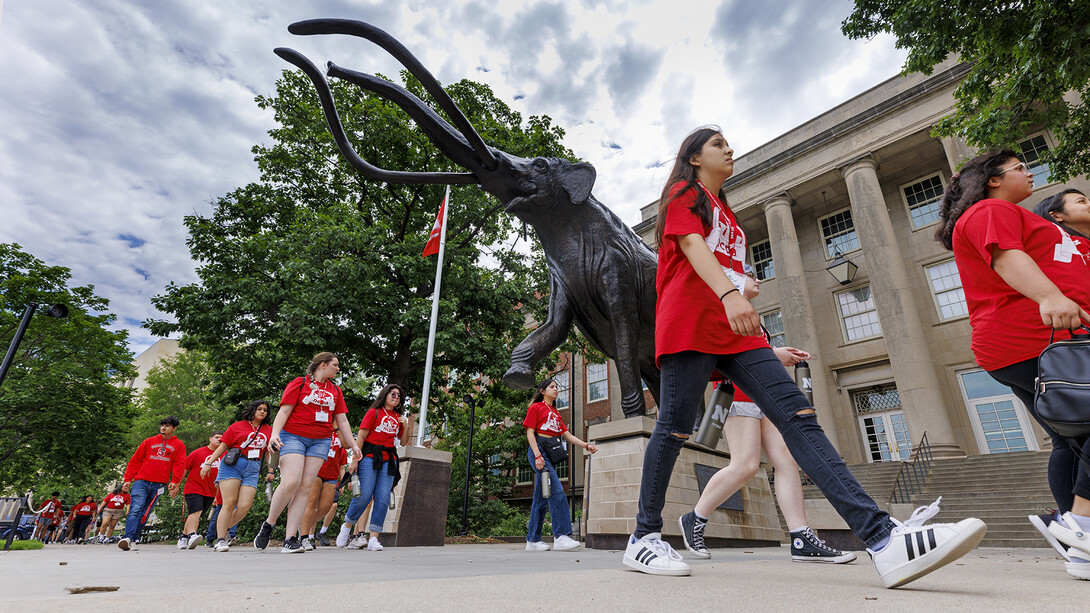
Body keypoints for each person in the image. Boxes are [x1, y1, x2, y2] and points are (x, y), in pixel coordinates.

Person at [627, 126, 985, 588]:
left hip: (740, 332)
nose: (729, 148)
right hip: (691, 323)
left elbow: (734, 270)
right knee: (673, 428)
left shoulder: (727, 214)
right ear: (693, 157)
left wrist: (752, 321)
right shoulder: (684, 192)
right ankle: (643, 537)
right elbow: (693, 247)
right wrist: (731, 296)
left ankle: (883, 540)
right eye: (718, 144)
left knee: (799, 418)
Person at [938, 151, 1090, 580]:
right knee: (1077, 437)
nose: (1029, 170)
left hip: (1043, 339)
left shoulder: (1019, 216)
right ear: (992, 180)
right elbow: (1006, 257)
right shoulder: (990, 210)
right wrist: (1050, 297)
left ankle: (1076, 535)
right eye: (1019, 166)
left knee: (1075, 441)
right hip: (1036, 337)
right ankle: (1079, 527)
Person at [679, 270, 855, 564]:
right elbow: (726, 354)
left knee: (787, 461)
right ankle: (695, 518)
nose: (757, 278)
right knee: (746, 465)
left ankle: (801, 537)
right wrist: (776, 354)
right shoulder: (723, 307)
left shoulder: (753, 316)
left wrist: (776, 354)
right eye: (748, 274)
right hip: (737, 394)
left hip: (765, 395)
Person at [255, 352, 361, 553]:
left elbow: (343, 420)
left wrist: (353, 445)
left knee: (304, 487)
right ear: (323, 365)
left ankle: (289, 538)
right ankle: (269, 523)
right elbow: (284, 411)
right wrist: (274, 434)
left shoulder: (335, 390)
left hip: (320, 441)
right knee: (291, 482)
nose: (338, 368)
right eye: (335, 365)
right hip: (293, 436)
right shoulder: (299, 383)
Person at [522, 378, 597, 552]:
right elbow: (530, 432)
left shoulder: (555, 413)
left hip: (550, 455)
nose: (556, 390)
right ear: (542, 391)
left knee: (541, 498)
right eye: (552, 387)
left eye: (557, 387)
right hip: (539, 453)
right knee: (556, 490)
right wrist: (537, 455)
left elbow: (568, 435)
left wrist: (586, 445)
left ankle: (533, 540)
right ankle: (561, 535)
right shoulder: (536, 408)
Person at [341, 384, 409, 551]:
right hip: (369, 456)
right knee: (364, 496)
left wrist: (405, 425)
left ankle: (373, 538)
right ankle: (347, 526)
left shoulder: (398, 417)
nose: (396, 397)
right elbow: (362, 436)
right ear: (385, 395)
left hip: (388, 459)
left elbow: (404, 441)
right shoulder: (374, 412)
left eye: (399, 396)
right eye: (393, 394)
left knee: (383, 498)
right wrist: (354, 460)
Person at [201, 400, 274, 552]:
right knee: (229, 503)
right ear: (252, 410)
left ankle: (225, 527)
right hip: (233, 465)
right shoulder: (237, 426)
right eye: (259, 409)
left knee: (244, 506)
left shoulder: (269, 430)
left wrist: (271, 470)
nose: (262, 412)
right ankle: (220, 539)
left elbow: (269, 452)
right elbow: (223, 446)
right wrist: (209, 463)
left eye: (265, 410)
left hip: (253, 467)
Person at [119, 416, 187, 551]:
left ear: (174, 428)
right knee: (136, 508)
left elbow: (179, 464)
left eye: (167, 425)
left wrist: (175, 481)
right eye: (162, 425)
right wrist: (128, 479)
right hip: (141, 481)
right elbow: (135, 460)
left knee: (146, 512)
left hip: (159, 484)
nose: (163, 427)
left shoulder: (179, 445)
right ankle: (127, 538)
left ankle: (134, 538)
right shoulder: (149, 441)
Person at [299, 427, 349, 550]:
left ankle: (303, 525)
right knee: (312, 503)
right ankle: (305, 536)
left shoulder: (340, 433)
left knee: (326, 506)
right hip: (316, 470)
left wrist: (342, 483)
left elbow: (345, 448)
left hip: (332, 475)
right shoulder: (321, 427)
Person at [178, 431, 222, 549]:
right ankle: (192, 535)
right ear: (210, 438)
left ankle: (183, 537)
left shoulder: (223, 455)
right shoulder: (198, 452)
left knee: (196, 515)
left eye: (221, 438)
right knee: (195, 512)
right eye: (217, 437)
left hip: (211, 491)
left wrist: (217, 496)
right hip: (194, 487)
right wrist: (177, 484)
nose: (219, 440)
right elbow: (185, 468)